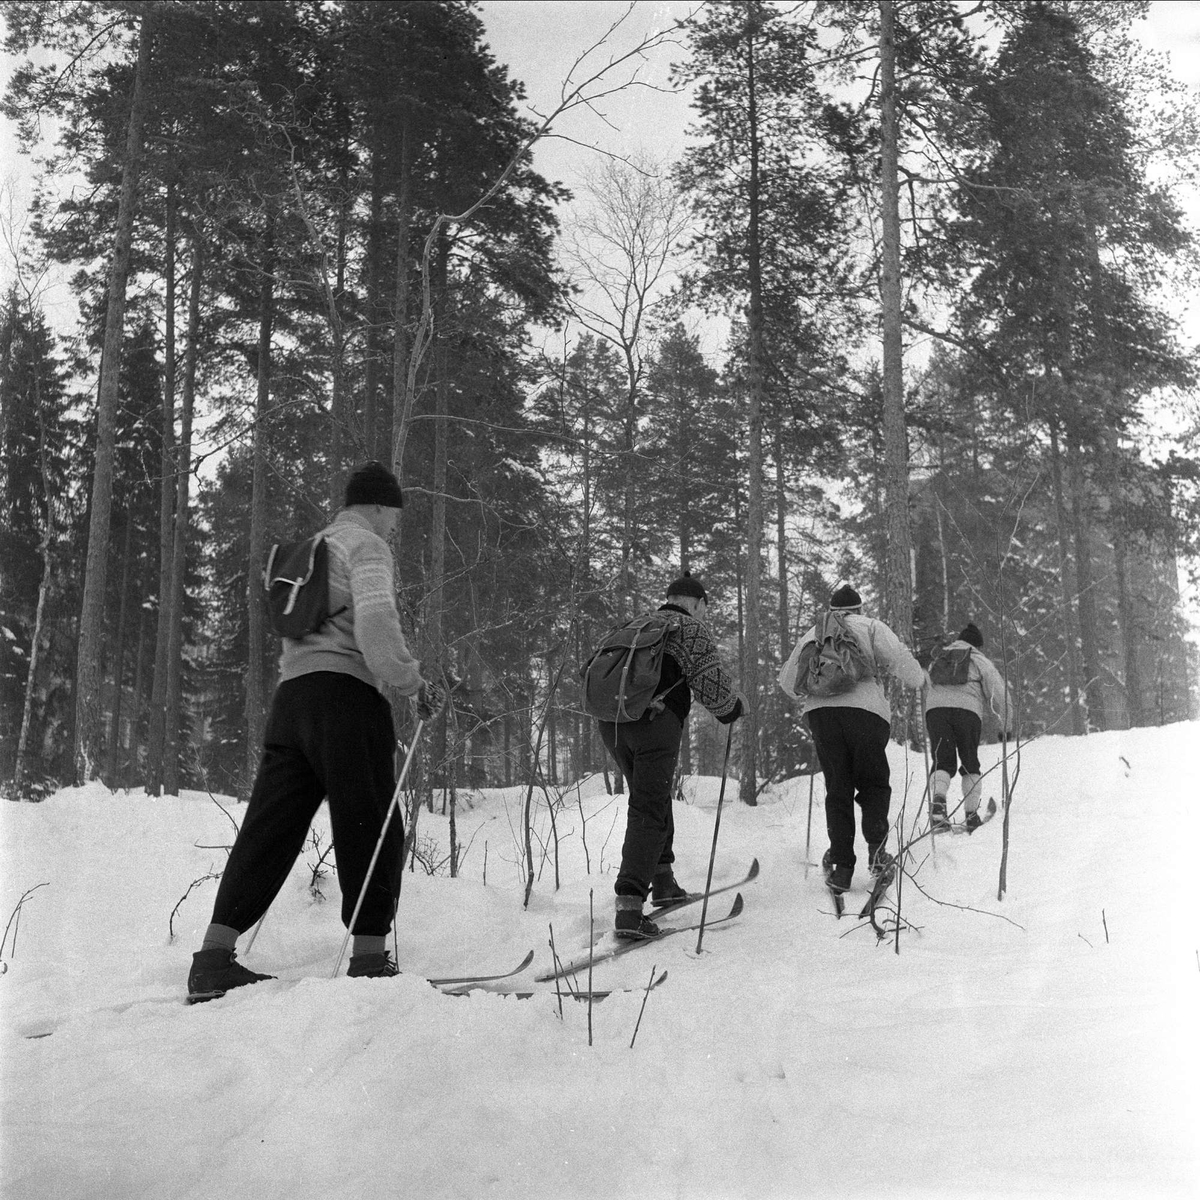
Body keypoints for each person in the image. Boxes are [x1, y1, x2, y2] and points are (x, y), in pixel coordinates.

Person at [187, 461, 445, 1002]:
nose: (396, 527)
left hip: (292, 703)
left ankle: (212, 959)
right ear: (378, 506)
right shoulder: (367, 546)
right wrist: (410, 680)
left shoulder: (313, 549)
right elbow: (376, 626)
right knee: (372, 825)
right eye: (395, 515)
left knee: (270, 828)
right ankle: (370, 960)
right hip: (346, 698)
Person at [595, 573, 744, 940]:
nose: (704, 615)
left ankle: (663, 882)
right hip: (655, 722)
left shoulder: (635, 624)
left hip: (612, 723)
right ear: (696, 604)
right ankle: (630, 907)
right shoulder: (689, 629)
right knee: (648, 807)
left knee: (653, 798)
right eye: (704, 608)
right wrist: (733, 709)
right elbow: (714, 687)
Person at [780, 584, 926, 898]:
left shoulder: (814, 633)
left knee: (838, 788)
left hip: (822, 716)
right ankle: (877, 855)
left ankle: (842, 866)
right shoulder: (872, 627)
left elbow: (788, 682)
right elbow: (905, 666)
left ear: (831, 610)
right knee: (874, 783)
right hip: (866, 714)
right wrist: (919, 679)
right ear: (858, 608)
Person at [924, 622, 1013, 832]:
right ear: (977, 645)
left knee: (942, 761)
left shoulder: (941, 656)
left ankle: (938, 806)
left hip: (936, 711)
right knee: (969, 761)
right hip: (967, 713)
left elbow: (928, 681)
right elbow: (999, 693)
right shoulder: (979, 659)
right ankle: (971, 817)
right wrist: (1006, 726)